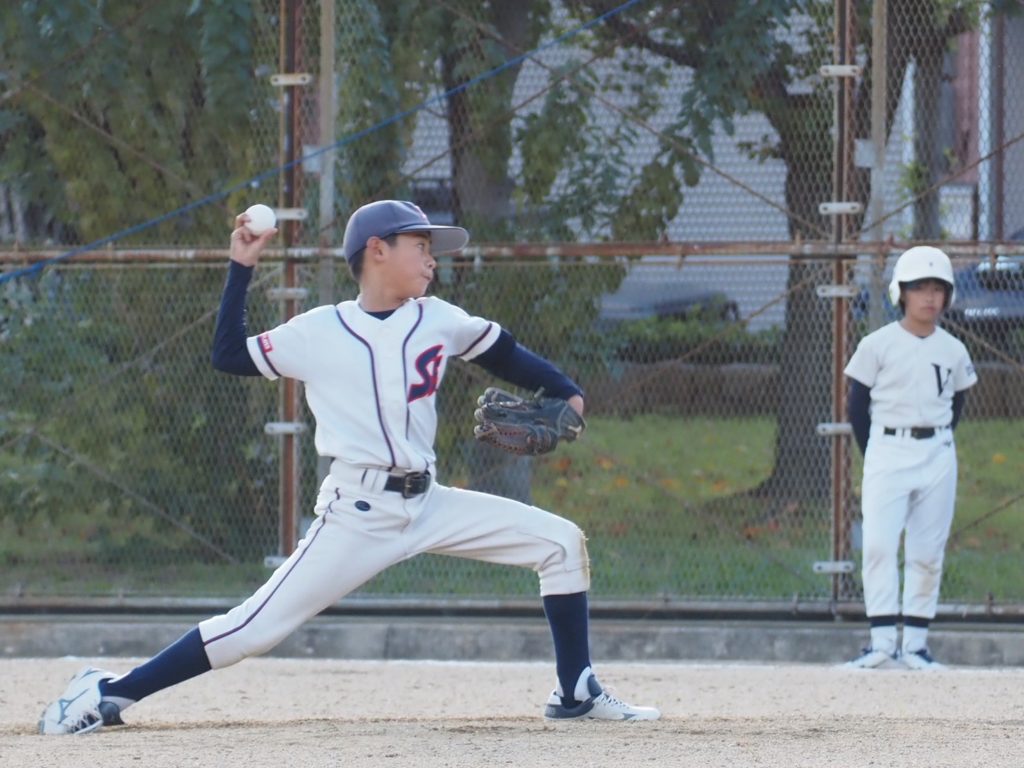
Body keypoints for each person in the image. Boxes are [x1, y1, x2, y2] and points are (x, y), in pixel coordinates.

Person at [38, 200, 660, 734]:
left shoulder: (437, 317)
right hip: (358, 512)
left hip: (430, 502)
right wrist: (242, 265)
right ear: (377, 250)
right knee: (253, 630)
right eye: (421, 246)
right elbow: (228, 355)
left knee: (559, 543)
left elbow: (506, 354)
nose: (432, 259)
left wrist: (569, 394)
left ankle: (575, 691)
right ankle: (107, 694)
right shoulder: (319, 331)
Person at [843, 245, 977, 670]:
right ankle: (882, 643)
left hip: (937, 452)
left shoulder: (953, 349)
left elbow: (956, 404)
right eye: (919, 287)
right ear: (900, 292)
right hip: (887, 448)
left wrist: (937, 441)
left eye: (938, 288)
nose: (929, 297)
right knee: (879, 545)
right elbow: (857, 406)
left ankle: (916, 644)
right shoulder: (877, 344)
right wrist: (875, 451)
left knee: (927, 549)